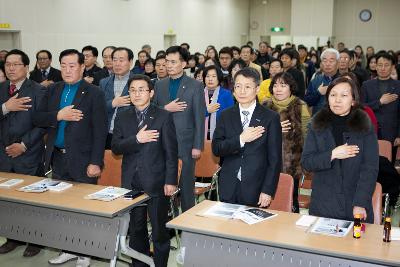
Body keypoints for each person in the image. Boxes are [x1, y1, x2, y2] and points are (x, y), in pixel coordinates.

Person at [33, 49, 107, 267]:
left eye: (72, 65)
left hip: (84, 160)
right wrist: (58, 115)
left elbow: (100, 131)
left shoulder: (94, 92)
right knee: (62, 207)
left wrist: (96, 162)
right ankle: (67, 249)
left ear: (82, 67)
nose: (67, 70)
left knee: (83, 208)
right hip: (58, 158)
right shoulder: (54, 89)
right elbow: (38, 118)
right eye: (63, 65)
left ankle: (85, 252)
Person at [112, 74, 177, 267]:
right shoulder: (123, 116)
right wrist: (137, 139)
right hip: (131, 182)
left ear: (151, 92)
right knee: (136, 228)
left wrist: (171, 181)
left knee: (158, 231)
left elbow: (171, 152)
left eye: (142, 89)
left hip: (157, 182)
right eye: (133, 90)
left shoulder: (163, 116)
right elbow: (116, 147)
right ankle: (139, 264)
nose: (137, 94)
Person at [301, 77, 379, 223]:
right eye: (333, 95)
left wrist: (360, 203)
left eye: (344, 95)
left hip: (354, 203)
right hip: (323, 203)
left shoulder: (364, 126)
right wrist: (332, 154)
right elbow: (307, 162)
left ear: (353, 100)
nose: (337, 100)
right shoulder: (317, 125)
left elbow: (370, 169)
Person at [212, 67, 282, 206]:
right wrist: (240, 139)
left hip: (256, 186)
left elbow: (275, 160)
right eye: (238, 86)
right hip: (228, 185)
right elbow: (217, 148)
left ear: (257, 89)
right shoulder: (226, 115)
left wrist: (267, 190)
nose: (242, 91)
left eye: (247, 86)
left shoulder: (270, 117)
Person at [0, 49, 46, 257]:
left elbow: (43, 124)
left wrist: (24, 145)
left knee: (31, 200)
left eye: (15, 64)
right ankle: (13, 237)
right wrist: (5, 108)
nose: (10, 68)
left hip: (29, 154)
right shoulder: (1, 89)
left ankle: (35, 240)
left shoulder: (38, 91)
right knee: (8, 200)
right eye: (7, 64)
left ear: (26, 67)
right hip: (3, 154)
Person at [153, 46, 205, 212]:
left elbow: (199, 116)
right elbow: (152, 112)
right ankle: (169, 220)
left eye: (173, 62)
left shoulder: (195, 85)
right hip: (163, 143)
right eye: (166, 61)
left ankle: (187, 225)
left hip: (186, 144)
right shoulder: (159, 85)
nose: (168, 65)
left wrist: (198, 145)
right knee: (166, 185)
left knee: (186, 187)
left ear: (183, 64)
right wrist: (165, 108)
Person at [264, 72, 311, 212]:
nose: (278, 89)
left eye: (283, 85)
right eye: (275, 85)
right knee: (267, 199)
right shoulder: (265, 106)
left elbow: (308, 135)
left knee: (291, 199)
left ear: (291, 88)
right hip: (268, 160)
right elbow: (256, 133)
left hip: (293, 163)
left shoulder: (300, 106)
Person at [361, 52, 400, 148]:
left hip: (392, 134)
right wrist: (379, 102)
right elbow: (361, 108)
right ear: (376, 67)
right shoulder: (366, 85)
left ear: (392, 67)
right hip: (370, 131)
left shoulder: (398, 85)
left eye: (386, 65)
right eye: (380, 65)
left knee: (388, 161)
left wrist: (399, 135)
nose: (383, 68)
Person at [99, 47, 134, 149]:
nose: (117, 63)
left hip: (129, 134)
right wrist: (112, 103)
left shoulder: (139, 81)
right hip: (107, 133)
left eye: (121, 60)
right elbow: (97, 107)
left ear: (130, 62)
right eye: (115, 60)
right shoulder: (104, 82)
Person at [304, 48, 340, 115]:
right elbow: (307, 102)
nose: (327, 64)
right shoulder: (316, 80)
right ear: (321, 63)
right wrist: (318, 93)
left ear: (338, 64)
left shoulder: (343, 81)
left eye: (331, 61)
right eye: (325, 61)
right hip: (318, 121)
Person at [203, 65, 234, 140]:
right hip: (200, 136)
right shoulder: (198, 94)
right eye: (207, 76)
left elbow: (230, 116)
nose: (210, 79)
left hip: (220, 135)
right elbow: (192, 115)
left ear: (219, 78)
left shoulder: (226, 94)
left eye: (214, 76)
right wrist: (207, 111)